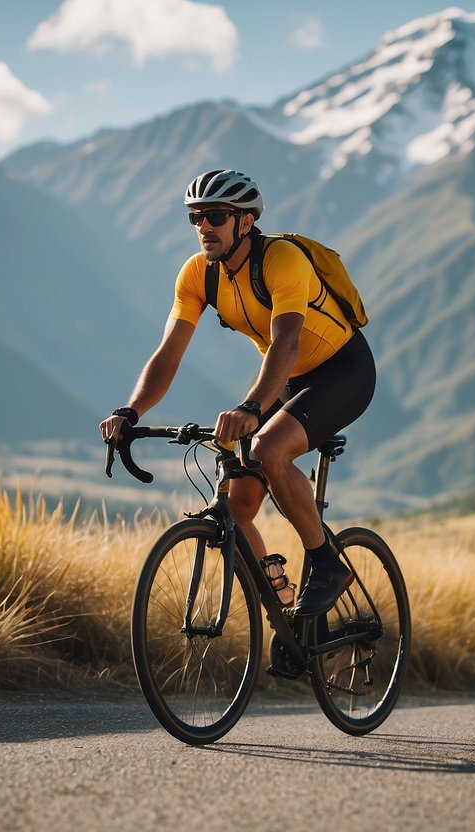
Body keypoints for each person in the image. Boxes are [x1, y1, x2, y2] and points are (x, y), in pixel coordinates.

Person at [99, 169, 376, 617]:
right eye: (195, 218)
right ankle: (283, 606)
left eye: (215, 216)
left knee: (266, 449)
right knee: (237, 500)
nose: (203, 227)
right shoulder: (197, 275)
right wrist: (130, 411)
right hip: (283, 380)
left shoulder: (283, 260)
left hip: (343, 371)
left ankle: (327, 562)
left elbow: (285, 341)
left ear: (245, 222)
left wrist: (251, 407)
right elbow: (168, 354)